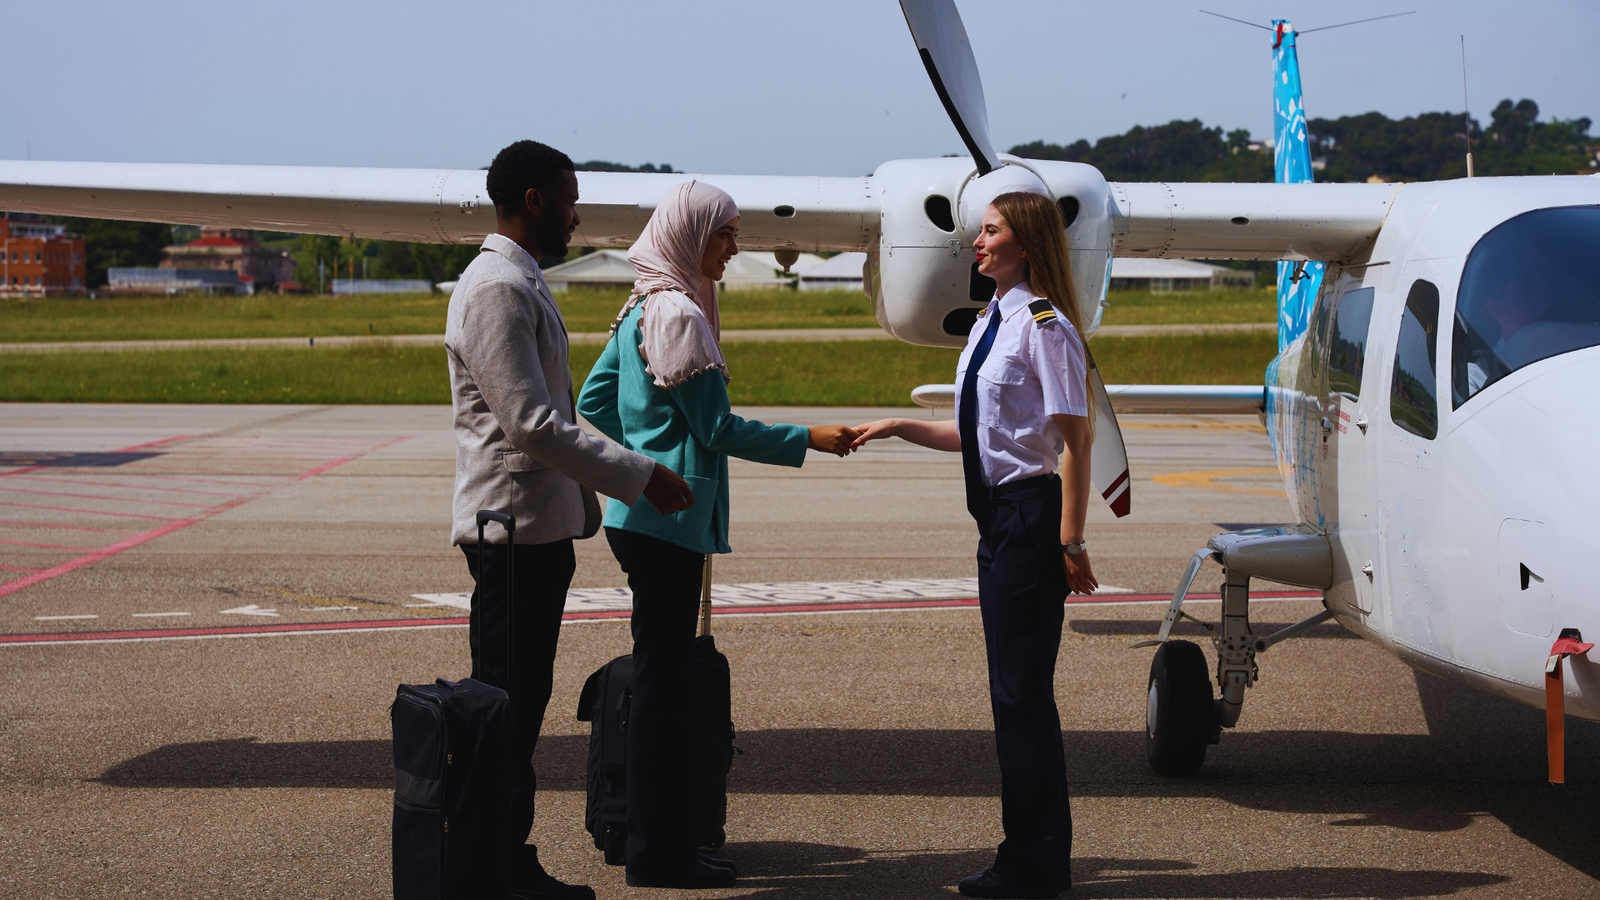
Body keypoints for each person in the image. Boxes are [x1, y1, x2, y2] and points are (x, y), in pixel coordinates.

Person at [576, 179, 858, 889]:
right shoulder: (678, 314)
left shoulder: (639, 303)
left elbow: (593, 402)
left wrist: (642, 453)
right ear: (692, 234)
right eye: (726, 233)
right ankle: (659, 853)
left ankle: (660, 844)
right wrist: (810, 439)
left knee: (662, 688)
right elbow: (720, 429)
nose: (736, 246)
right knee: (663, 700)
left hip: (636, 518)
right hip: (669, 521)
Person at [445, 139, 695, 900]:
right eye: (568, 196)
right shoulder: (495, 288)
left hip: (538, 528)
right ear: (533, 201)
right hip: (510, 530)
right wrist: (638, 474)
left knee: (517, 706)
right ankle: (495, 867)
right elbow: (532, 423)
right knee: (506, 713)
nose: (576, 212)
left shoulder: (517, 279)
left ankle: (498, 861)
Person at [851, 191, 1097, 900]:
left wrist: (1070, 539)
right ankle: (1038, 859)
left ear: (1026, 244)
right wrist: (901, 425)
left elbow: (1074, 441)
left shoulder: (1043, 327)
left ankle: (1031, 862)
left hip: (1028, 519)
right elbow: (977, 434)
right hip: (997, 521)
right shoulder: (992, 320)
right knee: (1015, 697)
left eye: (990, 232)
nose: (977, 243)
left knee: (1020, 698)